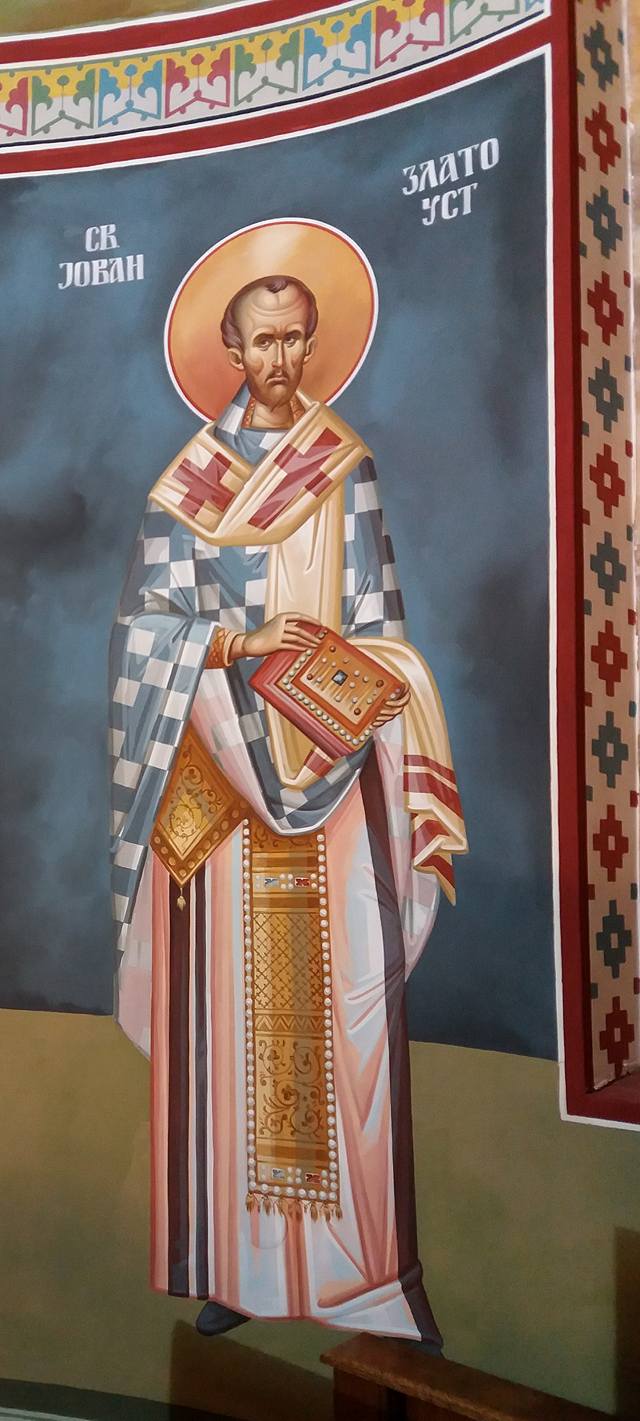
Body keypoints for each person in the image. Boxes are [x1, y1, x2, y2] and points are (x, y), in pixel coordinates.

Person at [110, 260, 466, 1346]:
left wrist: (340, 682)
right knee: (228, 1033)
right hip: (224, 782)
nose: (279, 358)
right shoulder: (187, 486)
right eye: (261, 340)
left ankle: (362, 1279)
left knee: (345, 1019)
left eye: (295, 337)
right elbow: (144, 632)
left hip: (331, 771)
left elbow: (381, 626)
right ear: (229, 347)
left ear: (315, 342)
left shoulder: (344, 469)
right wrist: (235, 644)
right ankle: (239, 1269)